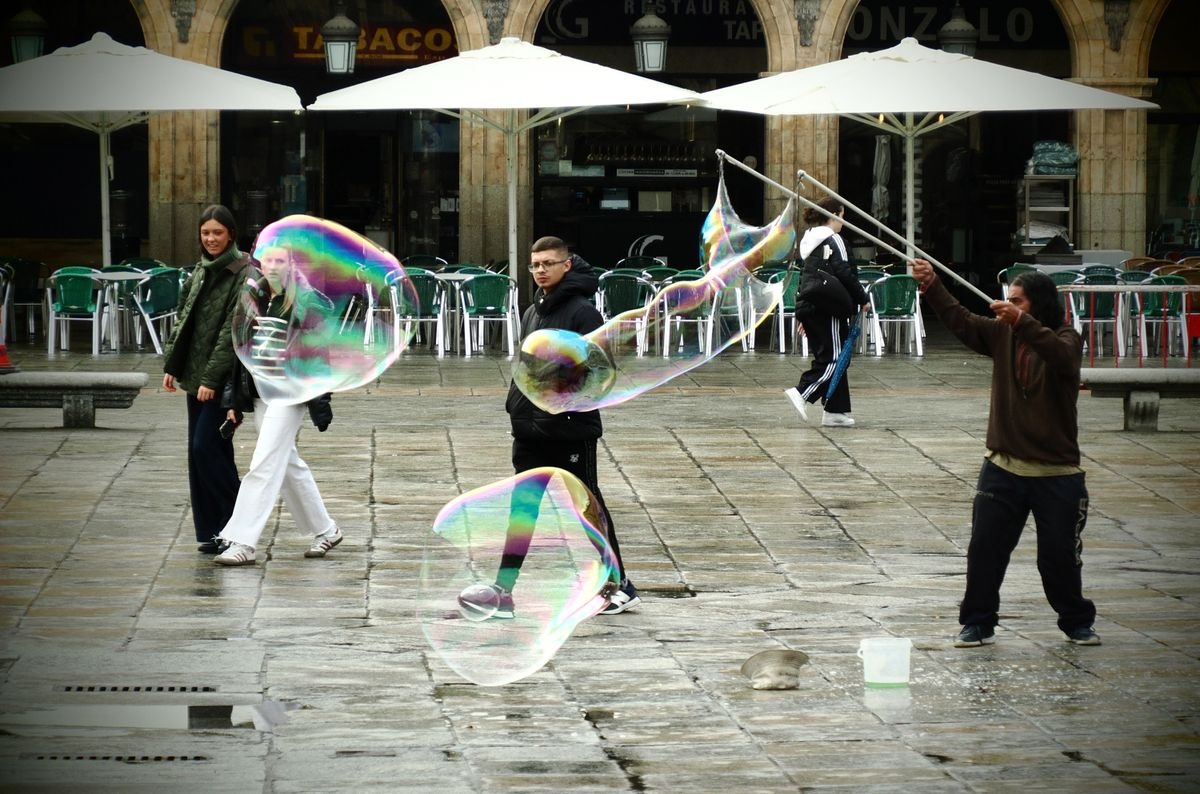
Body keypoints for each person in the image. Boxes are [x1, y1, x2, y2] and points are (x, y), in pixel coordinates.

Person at [910, 259, 1100, 647]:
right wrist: (933, 285)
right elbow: (961, 320)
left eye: (1018, 301)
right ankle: (978, 622)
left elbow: (1061, 358)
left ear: (1039, 305)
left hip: (1056, 473)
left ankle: (1076, 619)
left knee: (1058, 558)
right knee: (985, 551)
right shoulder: (1003, 334)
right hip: (1003, 467)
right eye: (1008, 299)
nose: (1009, 305)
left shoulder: (1066, 338)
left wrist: (1020, 322)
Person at [488, 236, 639, 616]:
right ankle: (503, 590)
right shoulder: (532, 311)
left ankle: (621, 584)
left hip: (570, 429)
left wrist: (561, 398)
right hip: (529, 428)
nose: (540, 271)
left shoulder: (583, 313)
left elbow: (602, 372)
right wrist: (517, 408)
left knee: (588, 508)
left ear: (566, 265)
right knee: (522, 512)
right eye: (535, 265)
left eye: (548, 264)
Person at [212, 244, 341, 565]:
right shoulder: (252, 295)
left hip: (290, 391)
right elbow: (238, 352)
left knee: (264, 463)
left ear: (291, 264)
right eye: (267, 259)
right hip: (260, 390)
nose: (272, 265)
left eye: (279, 260)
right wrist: (233, 400)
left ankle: (242, 541)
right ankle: (326, 530)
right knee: (287, 464)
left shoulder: (306, 301)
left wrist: (318, 396)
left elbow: (319, 355)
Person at [162, 205, 253, 553]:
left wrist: (212, 378)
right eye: (205, 233)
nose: (211, 239)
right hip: (195, 375)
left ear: (230, 233)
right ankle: (214, 532)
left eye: (217, 232)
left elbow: (232, 332)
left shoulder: (243, 272)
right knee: (200, 453)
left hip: (221, 379)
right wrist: (174, 364)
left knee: (207, 449)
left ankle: (239, 524)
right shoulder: (200, 270)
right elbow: (185, 320)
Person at [783, 198, 870, 427]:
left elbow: (807, 280)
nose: (843, 221)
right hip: (828, 309)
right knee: (832, 359)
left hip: (816, 307)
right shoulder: (834, 239)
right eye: (842, 215)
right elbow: (844, 273)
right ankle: (802, 392)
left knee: (838, 356)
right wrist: (863, 299)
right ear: (833, 215)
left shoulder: (811, 241)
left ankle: (835, 411)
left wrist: (805, 313)